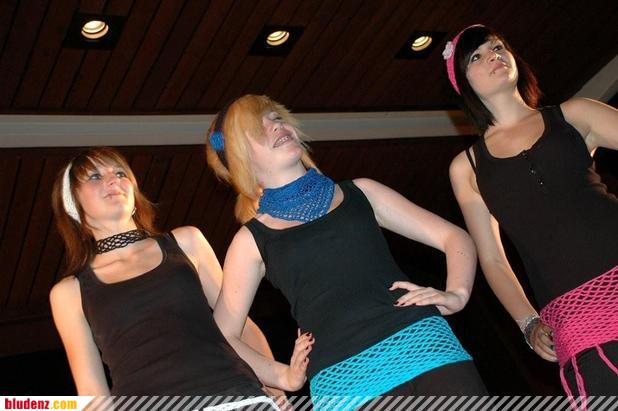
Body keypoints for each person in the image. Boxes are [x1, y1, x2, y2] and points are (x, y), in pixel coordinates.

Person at [205, 94, 487, 410]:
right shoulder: (251, 241)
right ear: (241, 158)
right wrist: (282, 376)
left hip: (424, 346)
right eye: (258, 127)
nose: (275, 125)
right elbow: (223, 335)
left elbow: (454, 237)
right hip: (344, 383)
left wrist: (457, 293)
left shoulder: (361, 191)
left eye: (276, 117)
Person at [49, 147, 311, 407]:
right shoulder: (69, 292)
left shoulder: (186, 242)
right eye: (95, 176)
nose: (113, 180)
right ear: (73, 204)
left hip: (235, 395)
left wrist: (279, 396)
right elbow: (92, 391)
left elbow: (240, 325)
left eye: (120, 173)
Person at [444, 24, 618, 399]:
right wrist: (527, 322)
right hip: (574, 313)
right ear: (463, 83)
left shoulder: (575, 114)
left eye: (497, 47)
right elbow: (492, 258)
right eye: (477, 56)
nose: (493, 56)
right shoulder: (467, 168)